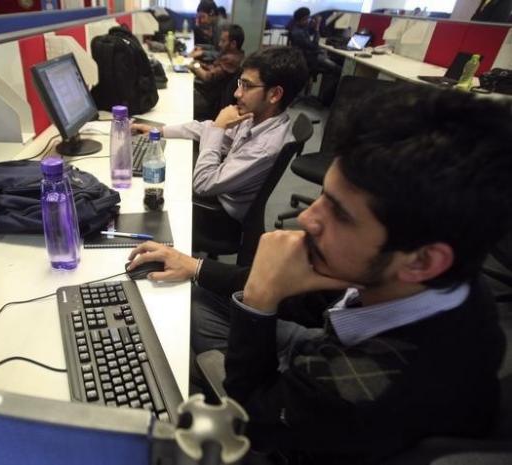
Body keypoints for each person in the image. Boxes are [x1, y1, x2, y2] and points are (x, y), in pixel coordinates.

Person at [127, 85, 512, 463]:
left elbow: (253, 420)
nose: (308, 218)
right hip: (326, 343)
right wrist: (194, 266)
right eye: (324, 195)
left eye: (340, 214)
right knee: (187, 292)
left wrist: (259, 302)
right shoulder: (421, 273)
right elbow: (304, 297)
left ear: (423, 262)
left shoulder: (374, 387)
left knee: (176, 323)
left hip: (308, 407)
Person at [132, 47, 309, 234]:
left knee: (142, 196)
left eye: (247, 86)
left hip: (219, 216)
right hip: (219, 190)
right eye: (240, 83)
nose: (237, 93)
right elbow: (206, 129)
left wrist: (218, 128)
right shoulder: (258, 116)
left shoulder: (265, 147)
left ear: (274, 94)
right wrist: (158, 131)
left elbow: (202, 184)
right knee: (164, 167)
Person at [191, 24, 245, 120]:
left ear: (233, 44)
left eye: (223, 41)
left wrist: (195, 66)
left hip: (208, 99)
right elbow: (213, 69)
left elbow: (208, 77)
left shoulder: (231, 60)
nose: (220, 44)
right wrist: (199, 64)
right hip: (208, 94)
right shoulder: (230, 55)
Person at [288, 7, 341, 105]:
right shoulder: (298, 33)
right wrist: (317, 29)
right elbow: (314, 45)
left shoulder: (298, 28)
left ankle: (322, 95)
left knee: (331, 61)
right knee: (338, 70)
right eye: (306, 19)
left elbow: (308, 36)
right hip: (310, 59)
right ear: (301, 19)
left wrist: (313, 27)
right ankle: (327, 99)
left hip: (307, 57)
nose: (308, 20)